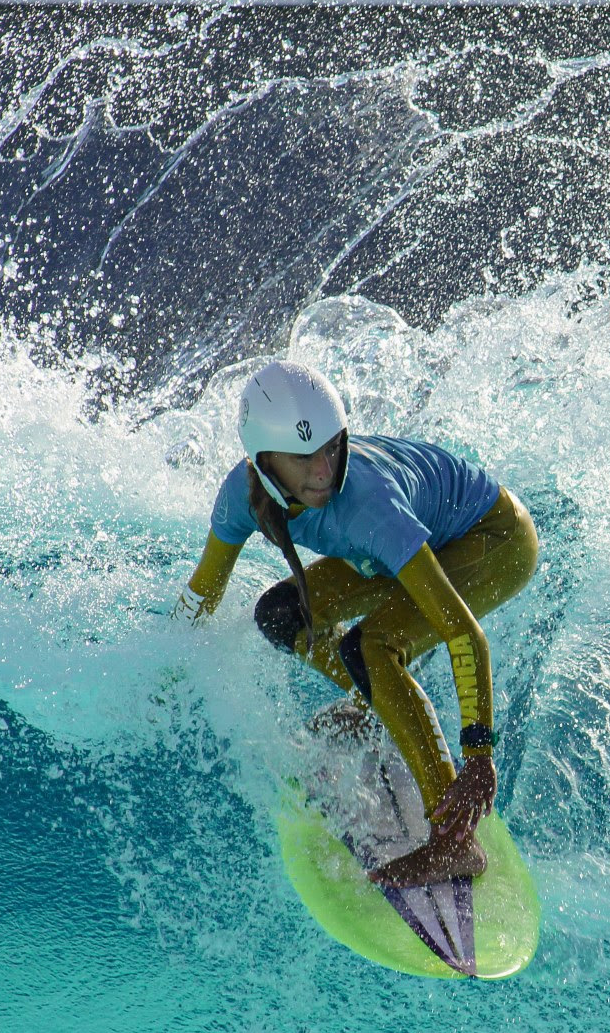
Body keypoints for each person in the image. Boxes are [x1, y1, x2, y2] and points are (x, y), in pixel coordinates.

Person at [179, 359, 539, 888]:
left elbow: (462, 632)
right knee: (282, 616)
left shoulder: (366, 503)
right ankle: (377, 707)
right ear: (261, 461)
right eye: (303, 457)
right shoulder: (243, 495)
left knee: (373, 645)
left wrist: (479, 753)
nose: (323, 469)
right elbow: (205, 588)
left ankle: (455, 844)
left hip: (493, 540)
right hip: (412, 539)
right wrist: (168, 655)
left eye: (330, 446)